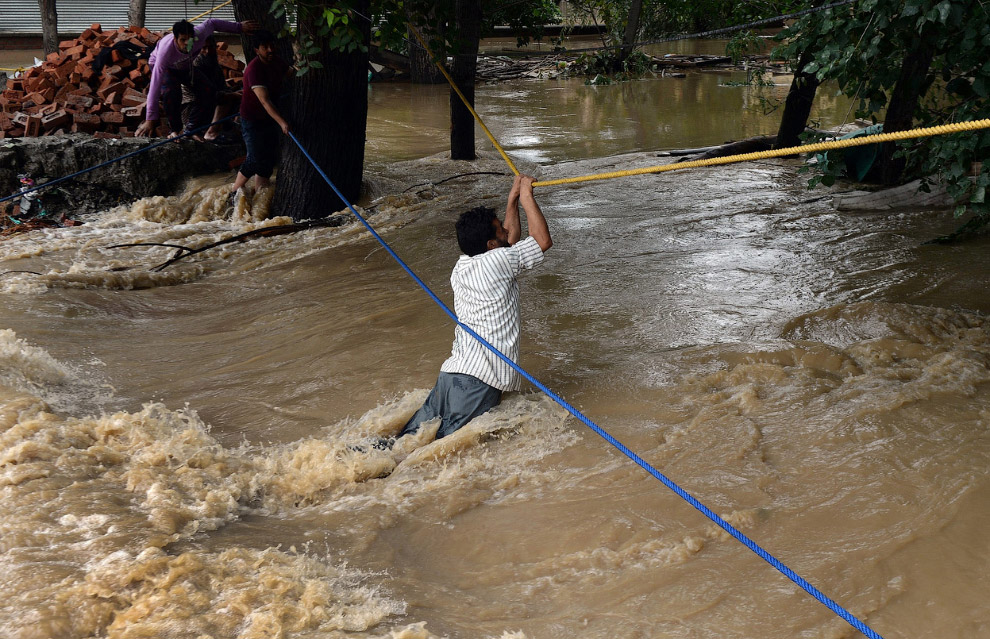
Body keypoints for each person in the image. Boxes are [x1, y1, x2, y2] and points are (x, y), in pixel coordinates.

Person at [385, 174, 552, 446]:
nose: (506, 232)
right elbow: (542, 240)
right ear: (491, 245)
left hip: (451, 375)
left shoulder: (462, 266)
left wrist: (512, 201)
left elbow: (507, 242)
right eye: (500, 230)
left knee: (403, 445)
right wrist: (527, 198)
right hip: (478, 381)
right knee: (433, 456)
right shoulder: (499, 261)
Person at [136, 18, 258, 140]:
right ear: (175, 39)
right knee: (172, 92)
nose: (187, 44)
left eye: (190, 39)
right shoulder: (165, 52)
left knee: (208, 90)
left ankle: (191, 130)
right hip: (167, 69)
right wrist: (150, 119)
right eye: (182, 40)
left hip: (185, 66)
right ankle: (176, 130)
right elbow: (155, 85)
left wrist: (239, 27)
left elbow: (212, 23)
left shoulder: (200, 33)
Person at [231, 30, 291, 193]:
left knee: (268, 159)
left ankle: (260, 193)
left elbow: (291, 72)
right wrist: (282, 123)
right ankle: (234, 191)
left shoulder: (277, 62)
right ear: (257, 50)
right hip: (252, 120)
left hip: (269, 120)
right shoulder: (254, 70)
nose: (270, 49)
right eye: (265, 47)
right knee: (255, 158)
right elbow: (265, 101)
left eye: (272, 45)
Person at [181, 36, 241, 141]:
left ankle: (224, 125)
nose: (208, 51)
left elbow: (222, 87)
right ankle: (212, 132)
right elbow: (209, 94)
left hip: (210, 105)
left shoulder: (214, 65)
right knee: (224, 98)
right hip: (193, 110)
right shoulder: (195, 65)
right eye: (204, 48)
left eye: (210, 47)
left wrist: (237, 93)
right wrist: (232, 95)